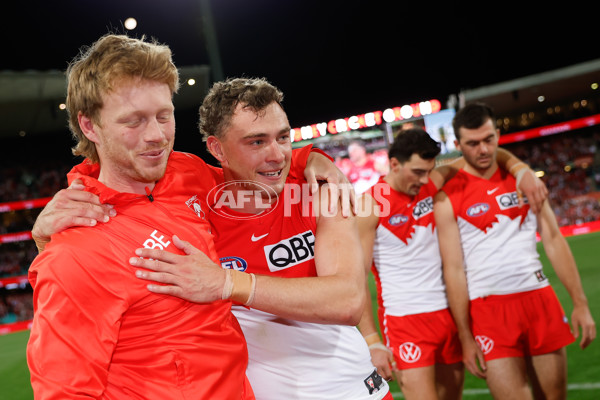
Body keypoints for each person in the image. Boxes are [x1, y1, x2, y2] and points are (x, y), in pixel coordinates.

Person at [26, 34, 347, 400]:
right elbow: (63, 392)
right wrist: (44, 241)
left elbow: (251, 174)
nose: (156, 136)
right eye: (134, 121)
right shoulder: (75, 251)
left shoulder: (185, 174)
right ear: (89, 126)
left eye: (164, 115)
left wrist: (311, 157)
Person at [356, 128, 549, 400]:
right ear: (395, 164)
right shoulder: (370, 205)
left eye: (429, 171)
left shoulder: (429, 182)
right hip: (405, 321)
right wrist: (372, 341)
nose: (425, 180)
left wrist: (521, 169)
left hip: (449, 316)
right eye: (417, 172)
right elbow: (357, 279)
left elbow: (485, 156)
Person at [433, 102, 596, 399]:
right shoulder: (447, 196)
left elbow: (554, 240)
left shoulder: (527, 183)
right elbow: (453, 270)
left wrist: (580, 303)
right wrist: (466, 336)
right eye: (472, 143)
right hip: (487, 309)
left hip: (538, 298)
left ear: (497, 134)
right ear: (457, 145)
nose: (483, 150)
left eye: (488, 139)